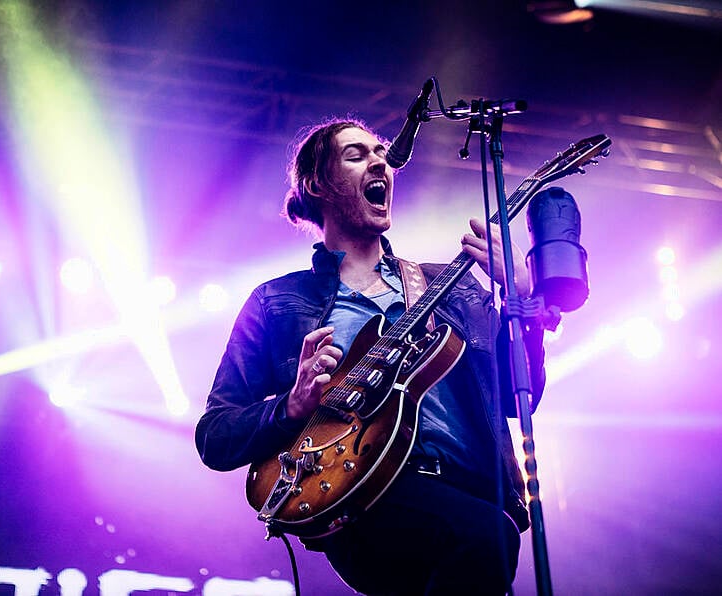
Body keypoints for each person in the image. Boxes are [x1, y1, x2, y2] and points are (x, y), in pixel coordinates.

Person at [195, 118, 546, 595]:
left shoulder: (452, 285)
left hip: (472, 492)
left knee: (484, 538)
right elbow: (216, 435)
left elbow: (518, 397)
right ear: (318, 183)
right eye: (356, 154)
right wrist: (291, 407)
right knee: (485, 536)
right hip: (361, 495)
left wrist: (522, 301)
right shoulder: (276, 301)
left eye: (381, 153)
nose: (380, 160)